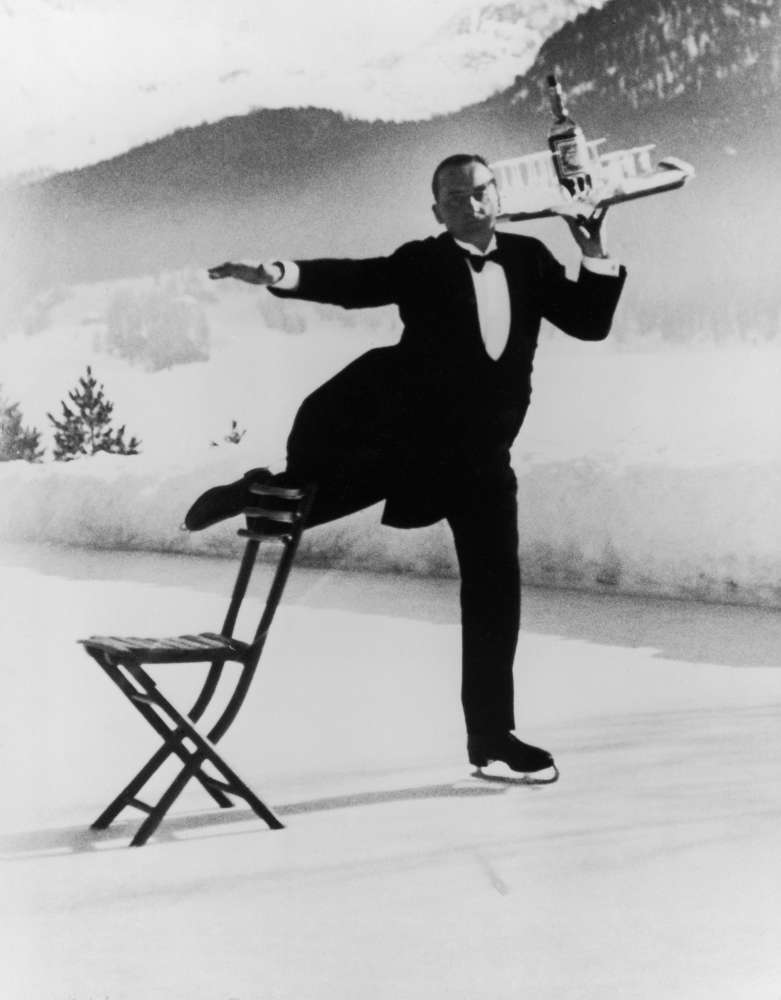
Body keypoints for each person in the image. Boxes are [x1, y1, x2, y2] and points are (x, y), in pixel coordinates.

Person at [185, 153, 626, 776]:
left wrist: (594, 251)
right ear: (437, 211)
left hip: (484, 461)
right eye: (455, 198)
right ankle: (257, 489)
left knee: (495, 593)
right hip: (413, 447)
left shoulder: (530, 257)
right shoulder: (422, 261)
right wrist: (279, 274)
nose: (471, 205)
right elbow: (356, 281)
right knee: (305, 503)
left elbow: (590, 323)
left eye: (480, 192)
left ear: (499, 195)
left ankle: (491, 735)